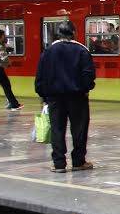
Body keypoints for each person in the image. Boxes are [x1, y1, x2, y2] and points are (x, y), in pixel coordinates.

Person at [35, 22, 96, 173]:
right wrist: (86, 88)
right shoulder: (82, 50)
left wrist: (42, 95)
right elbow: (88, 74)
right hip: (77, 97)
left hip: (54, 98)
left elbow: (40, 76)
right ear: (74, 33)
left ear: (59, 34)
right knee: (79, 129)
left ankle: (59, 164)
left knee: (57, 129)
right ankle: (78, 161)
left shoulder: (48, 51)